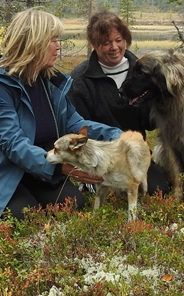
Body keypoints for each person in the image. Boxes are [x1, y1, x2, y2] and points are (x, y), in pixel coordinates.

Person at [0, 8, 123, 227]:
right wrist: (58, 167)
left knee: (72, 202)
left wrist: (120, 137)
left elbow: (76, 124)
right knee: (22, 217)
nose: (58, 46)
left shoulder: (48, 81)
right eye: (53, 40)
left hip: (37, 168)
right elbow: (10, 142)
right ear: (34, 43)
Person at [68, 10, 170, 195]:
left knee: (158, 190)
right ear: (95, 45)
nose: (114, 47)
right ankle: (89, 183)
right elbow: (78, 129)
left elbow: (150, 122)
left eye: (119, 40)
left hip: (135, 156)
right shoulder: (80, 79)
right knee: (117, 192)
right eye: (106, 43)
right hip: (99, 158)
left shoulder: (142, 71)